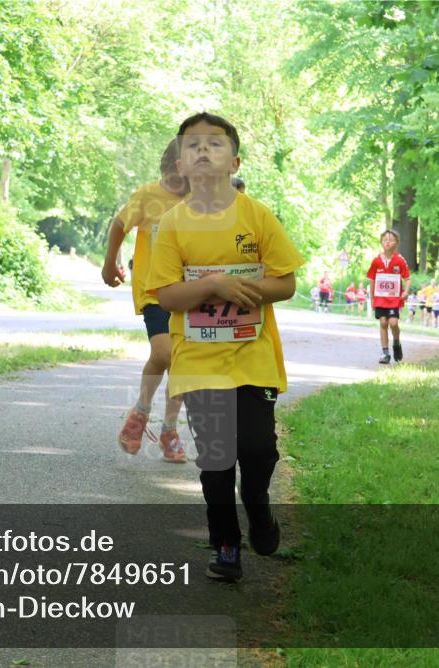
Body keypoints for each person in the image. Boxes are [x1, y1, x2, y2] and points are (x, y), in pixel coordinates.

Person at [147, 112, 304, 582]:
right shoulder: (171, 225)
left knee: (258, 450)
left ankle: (258, 506)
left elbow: (287, 282)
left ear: (234, 162)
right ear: (179, 164)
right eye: (191, 144)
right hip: (198, 360)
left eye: (214, 144)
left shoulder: (257, 216)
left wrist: (246, 287)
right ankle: (226, 545)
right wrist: (215, 283)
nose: (202, 150)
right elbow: (168, 295)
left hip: (253, 357)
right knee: (217, 460)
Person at [102, 140, 188, 463]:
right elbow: (119, 226)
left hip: (190, 294)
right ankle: (140, 411)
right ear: (173, 168)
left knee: (183, 363)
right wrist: (110, 263)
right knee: (166, 353)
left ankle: (169, 429)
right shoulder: (148, 196)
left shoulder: (200, 202)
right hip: (154, 291)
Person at [366, 229, 411, 364]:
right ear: (381, 242)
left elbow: (407, 278)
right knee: (383, 322)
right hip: (380, 298)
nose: (387, 242)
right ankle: (385, 353)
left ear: (396, 243)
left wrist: (406, 292)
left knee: (393, 323)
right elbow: (372, 280)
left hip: (394, 299)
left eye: (391, 240)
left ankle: (396, 343)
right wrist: (373, 299)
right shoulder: (376, 261)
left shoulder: (399, 260)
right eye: (385, 240)